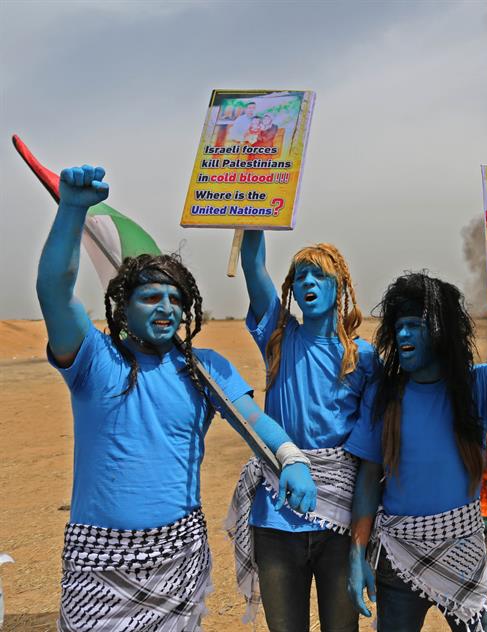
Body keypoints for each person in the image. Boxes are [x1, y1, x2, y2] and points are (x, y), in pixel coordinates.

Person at [37, 165, 318, 631]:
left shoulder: (203, 369)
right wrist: (71, 211)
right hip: (99, 565)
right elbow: (54, 290)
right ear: (123, 306)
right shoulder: (94, 359)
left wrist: (291, 458)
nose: (166, 308)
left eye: (175, 299)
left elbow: (253, 420)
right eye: (151, 298)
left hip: (179, 558)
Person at [345, 272, 487, 631]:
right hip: (399, 554)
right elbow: (369, 477)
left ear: (441, 331)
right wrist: (357, 556)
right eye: (399, 326)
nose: (403, 335)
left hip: (465, 550)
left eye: (414, 326)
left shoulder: (478, 385)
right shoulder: (385, 395)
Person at [224, 231, 379, 631]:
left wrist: (361, 540)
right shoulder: (279, 337)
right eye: (300, 276)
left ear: (339, 285)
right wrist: (253, 215)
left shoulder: (362, 357)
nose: (308, 282)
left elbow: (368, 455)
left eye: (319, 275)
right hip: (277, 515)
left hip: (339, 520)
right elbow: (252, 264)